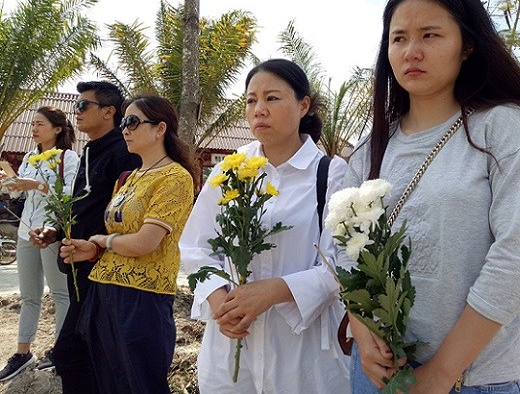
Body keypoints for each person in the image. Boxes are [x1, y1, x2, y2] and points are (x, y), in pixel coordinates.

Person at [341, 0, 520, 394]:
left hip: (471, 380)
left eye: (430, 35)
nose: (412, 51)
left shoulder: (499, 128)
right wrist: (360, 325)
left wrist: (443, 371)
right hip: (377, 372)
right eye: (399, 38)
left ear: (467, 45)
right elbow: (339, 241)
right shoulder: (373, 145)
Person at [180, 58, 351, 394]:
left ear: (304, 105)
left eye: (272, 98)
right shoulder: (229, 171)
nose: (259, 109)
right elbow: (196, 246)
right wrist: (218, 300)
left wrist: (274, 292)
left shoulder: (332, 175)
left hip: (304, 352)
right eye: (250, 100)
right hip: (230, 347)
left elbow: (341, 264)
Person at [58, 95, 195, 393]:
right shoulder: (129, 178)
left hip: (141, 298)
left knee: (141, 384)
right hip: (103, 292)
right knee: (107, 383)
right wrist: (93, 248)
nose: (125, 129)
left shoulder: (175, 178)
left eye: (132, 121)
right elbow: (121, 234)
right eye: (123, 123)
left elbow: (146, 242)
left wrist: (105, 240)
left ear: (160, 128)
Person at [29, 81, 141, 394]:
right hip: (80, 268)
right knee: (86, 357)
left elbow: (129, 216)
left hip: (104, 271)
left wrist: (97, 249)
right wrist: (55, 231)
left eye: (83, 106)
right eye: (76, 105)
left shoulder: (125, 152)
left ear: (109, 112)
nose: (75, 112)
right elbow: (82, 204)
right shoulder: (90, 150)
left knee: (73, 354)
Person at [0, 107, 78, 381]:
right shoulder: (31, 157)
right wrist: (10, 184)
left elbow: (72, 192)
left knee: (60, 294)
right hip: (25, 231)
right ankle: (23, 352)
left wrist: (39, 185)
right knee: (29, 296)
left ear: (57, 128)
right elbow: (19, 192)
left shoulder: (68, 157)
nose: (33, 128)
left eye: (40, 124)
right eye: (32, 124)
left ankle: (60, 350)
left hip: (51, 231)